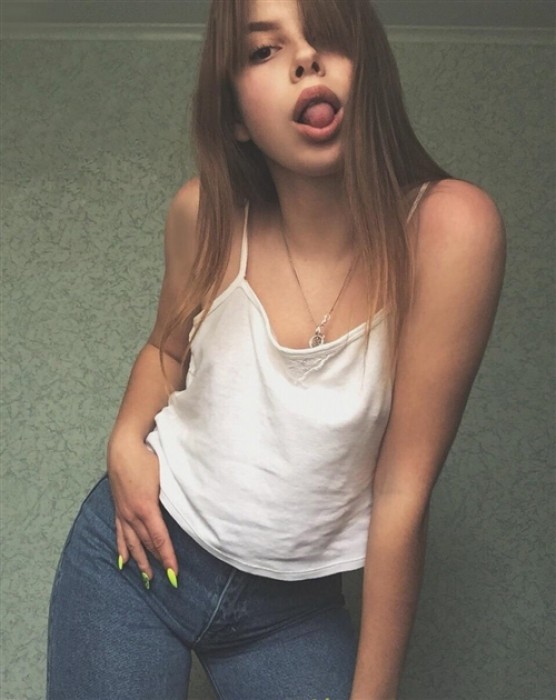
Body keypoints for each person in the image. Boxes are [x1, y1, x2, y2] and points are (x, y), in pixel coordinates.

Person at [47, 1, 506, 698]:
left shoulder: (451, 230)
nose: (305, 59)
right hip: (136, 555)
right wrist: (124, 442)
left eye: (328, 37)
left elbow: (403, 491)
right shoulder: (204, 213)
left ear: (371, 69)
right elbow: (166, 350)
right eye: (264, 50)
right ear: (235, 115)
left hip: (294, 615)